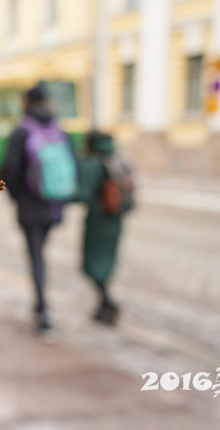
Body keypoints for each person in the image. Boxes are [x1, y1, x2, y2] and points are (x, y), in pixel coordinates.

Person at [2, 83, 76, 333]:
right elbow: (72, 164)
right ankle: (40, 306)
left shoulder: (22, 130)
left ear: (28, 101)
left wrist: (14, 196)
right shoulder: (59, 128)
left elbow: (10, 169)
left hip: (30, 204)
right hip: (54, 204)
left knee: (36, 255)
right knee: (40, 251)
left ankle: (42, 309)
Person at [75, 130, 134, 326]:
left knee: (91, 265)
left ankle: (107, 302)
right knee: (105, 264)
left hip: (98, 221)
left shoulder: (93, 162)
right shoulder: (117, 160)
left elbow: (83, 194)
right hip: (115, 220)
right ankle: (104, 305)